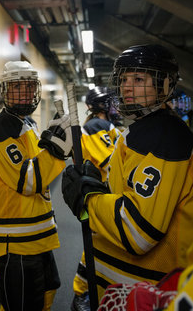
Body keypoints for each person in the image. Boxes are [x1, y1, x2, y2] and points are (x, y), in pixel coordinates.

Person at [61, 44, 193, 305]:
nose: (127, 87)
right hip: (119, 287)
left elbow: (137, 232)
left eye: (138, 79)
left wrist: (91, 199)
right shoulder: (143, 129)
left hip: (141, 294)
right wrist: (100, 188)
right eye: (124, 79)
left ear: (164, 85)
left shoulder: (164, 137)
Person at [0, 60, 73, 311]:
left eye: (28, 86)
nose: (23, 92)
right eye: (16, 86)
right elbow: (28, 180)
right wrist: (56, 150)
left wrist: (53, 144)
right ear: (5, 91)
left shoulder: (28, 124)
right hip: (15, 239)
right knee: (22, 305)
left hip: (37, 234)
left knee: (46, 292)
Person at [72, 86, 122, 311]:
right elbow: (111, 162)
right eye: (110, 103)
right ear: (101, 105)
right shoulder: (94, 126)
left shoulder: (104, 125)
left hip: (107, 194)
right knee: (96, 246)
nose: (115, 107)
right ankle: (81, 293)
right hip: (101, 195)